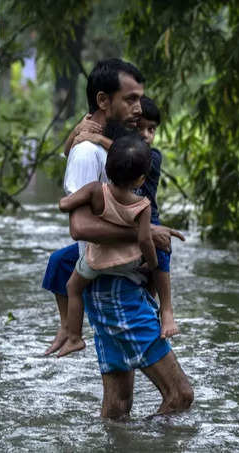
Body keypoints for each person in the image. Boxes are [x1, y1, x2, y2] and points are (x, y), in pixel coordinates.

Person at [42, 58, 193, 418]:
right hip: (115, 290)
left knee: (118, 406)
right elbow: (78, 228)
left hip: (118, 284)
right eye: (130, 99)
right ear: (103, 101)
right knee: (181, 395)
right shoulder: (86, 152)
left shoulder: (113, 145)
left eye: (140, 99)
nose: (139, 109)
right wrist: (146, 231)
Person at [69, 96, 179, 340]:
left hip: (146, 218)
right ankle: (67, 328)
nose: (146, 135)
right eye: (140, 128)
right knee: (59, 263)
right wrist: (78, 131)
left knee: (161, 251)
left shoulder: (152, 157)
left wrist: (97, 138)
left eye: (152, 129)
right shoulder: (118, 152)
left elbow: (132, 155)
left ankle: (166, 309)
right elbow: (71, 148)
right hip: (120, 218)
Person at [57, 135, 157, 358]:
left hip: (97, 262)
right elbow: (144, 240)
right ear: (141, 180)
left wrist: (76, 202)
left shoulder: (95, 190)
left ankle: (74, 337)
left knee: (73, 287)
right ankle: (153, 308)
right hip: (127, 264)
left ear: (107, 168)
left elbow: (64, 205)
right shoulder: (143, 205)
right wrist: (151, 264)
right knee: (149, 280)